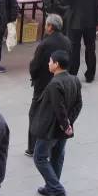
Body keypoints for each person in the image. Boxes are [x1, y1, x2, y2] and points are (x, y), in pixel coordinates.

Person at [31, 51, 82, 196]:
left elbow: (58, 108)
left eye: (50, 61)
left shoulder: (55, 84)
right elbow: (79, 104)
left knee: (40, 157)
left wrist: (65, 124)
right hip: (64, 127)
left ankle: (56, 188)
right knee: (57, 155)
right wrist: (69, 123)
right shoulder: (74, 80)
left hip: (51, 128)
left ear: (57, 64)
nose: (48, 64)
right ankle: (51, 187)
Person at [27, 14, 71, 156]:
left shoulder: (44, 44)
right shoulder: (67, 41)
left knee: (35, 113)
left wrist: (34, 77)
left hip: (43, 85)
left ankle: (32, 147)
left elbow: (35, 65)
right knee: (56, 112)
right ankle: (54, 145)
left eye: (46, 24)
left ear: (50, 26)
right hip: (61, 82)